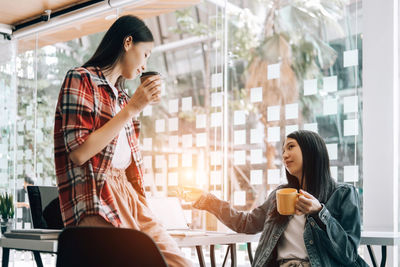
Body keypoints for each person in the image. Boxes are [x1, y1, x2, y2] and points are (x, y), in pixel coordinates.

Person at [54, 15, 192, 267]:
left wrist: (132, 106)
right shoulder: (80, 79)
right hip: (97, 192)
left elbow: (128, 162)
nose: (145, 64)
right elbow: (79, 153)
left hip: (129, 194)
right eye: (146, 53)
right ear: (128, 42)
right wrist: (132, 109)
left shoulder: (123, 96)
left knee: (180, 263)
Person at [181, 130, 369, 267]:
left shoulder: (343, 194)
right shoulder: (280, 195)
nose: (285, 155)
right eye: (283, 150)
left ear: (311, 151)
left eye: (291, 147)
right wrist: (206, 200)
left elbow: (349, 254)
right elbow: (246, 223)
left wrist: (320, 213)